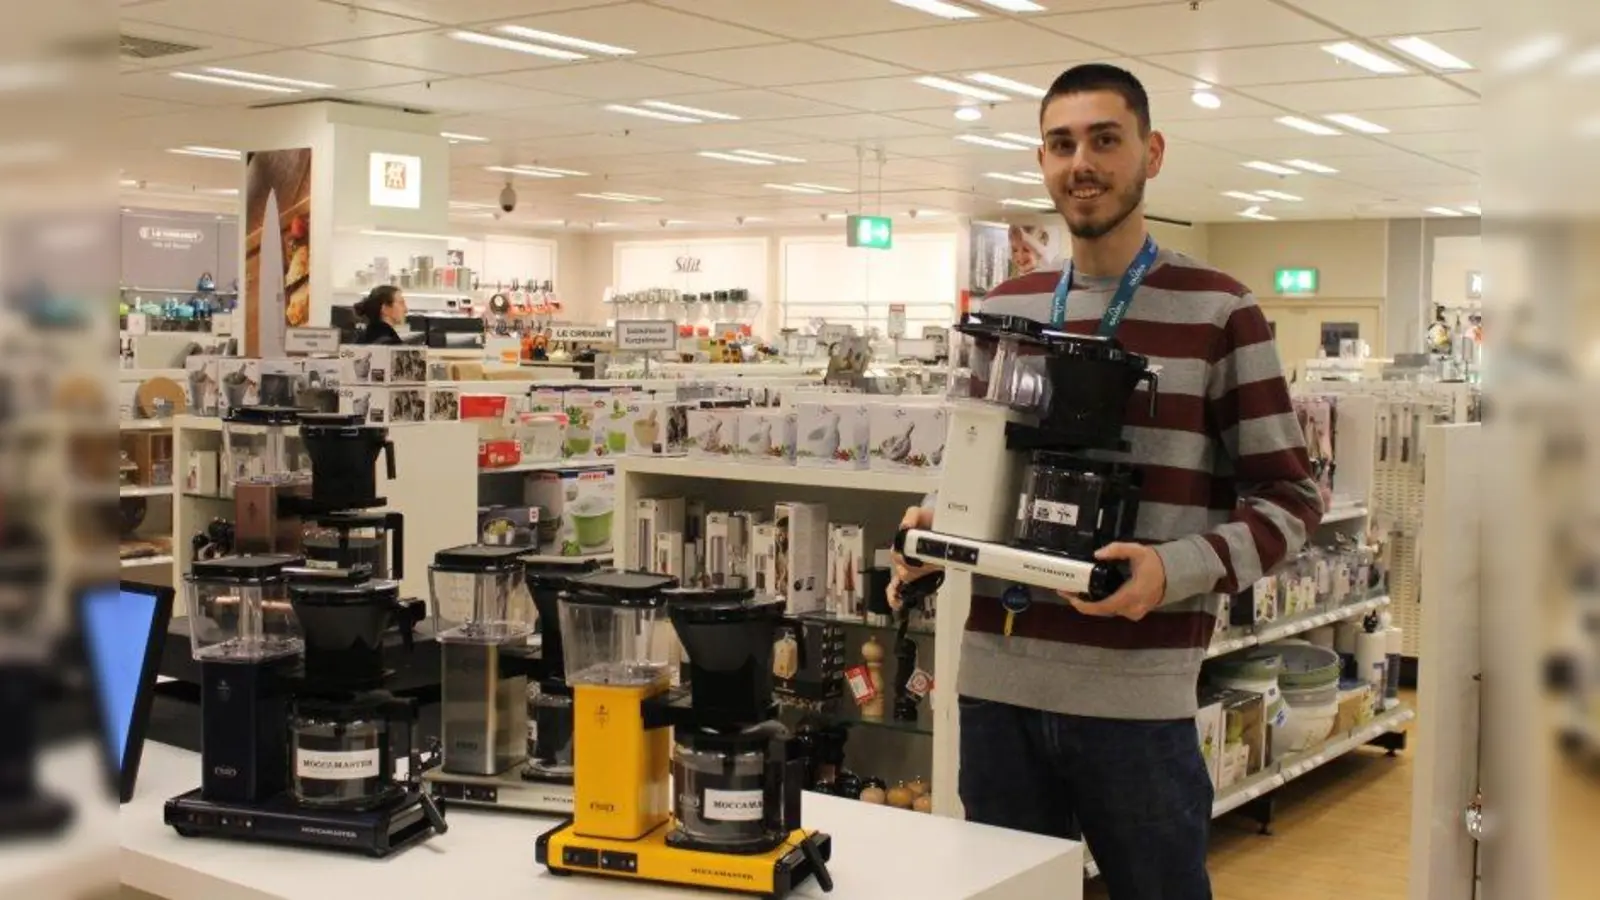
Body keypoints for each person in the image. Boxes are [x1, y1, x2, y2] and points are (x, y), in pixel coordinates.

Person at [891, 64, 1323, 900]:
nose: (1080, 162)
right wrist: (938, 528)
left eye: (1104, 140)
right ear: (1041, 161)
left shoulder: (1219, 311)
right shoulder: (1005, 307)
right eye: (1061, 144)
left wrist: (1175, 569)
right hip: (995, 692)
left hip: (1137, 701)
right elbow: (986, 477)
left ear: (1151, 154)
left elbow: (1292, 500)